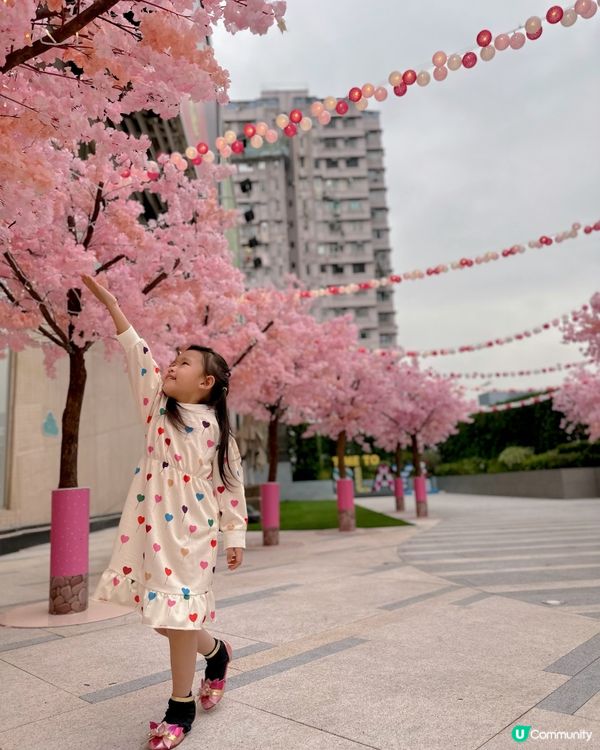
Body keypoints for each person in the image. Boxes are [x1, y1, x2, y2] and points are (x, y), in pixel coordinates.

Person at [82, 274, 247, 750]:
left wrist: (234, 537)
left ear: (207, 382)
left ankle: (180, 710)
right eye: (173, 360)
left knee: (176, 619)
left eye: (184, 363)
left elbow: (230, 487)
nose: (172, 366)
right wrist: (114, 306)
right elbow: (139, 355)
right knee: (162, 616)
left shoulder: (220, 434)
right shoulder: (158, 407)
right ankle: (217, 654)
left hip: (195, 534)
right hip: (151, 527)